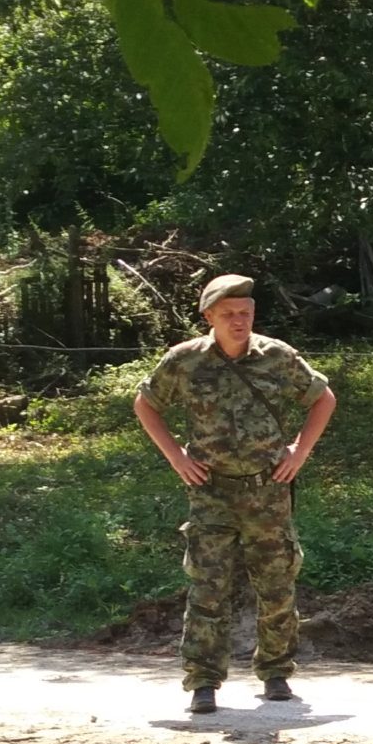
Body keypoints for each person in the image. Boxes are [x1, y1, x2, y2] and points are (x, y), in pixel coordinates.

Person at [133, 273, 337, 716]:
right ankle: (203, 681)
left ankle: (276, 672)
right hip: (211, 493)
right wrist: (176, 457)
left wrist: (300, 451)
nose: (238, 321)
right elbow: (146, 403)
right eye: (228, 314)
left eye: (245, 312)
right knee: (208, 589)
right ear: (209, 317)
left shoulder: (277, 357)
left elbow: (323, 399)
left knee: (277, 585)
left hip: (268, 490)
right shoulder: (185, 360)